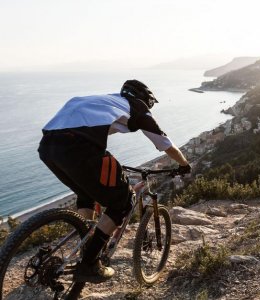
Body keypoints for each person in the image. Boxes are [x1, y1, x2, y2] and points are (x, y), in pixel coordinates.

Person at [38, 80, 191, 283]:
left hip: (47, 147)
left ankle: (87, 245)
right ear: (143, 98)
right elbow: (164, 144)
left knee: (87, 194)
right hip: (78, 147)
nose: (149, 108)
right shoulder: (138, 107)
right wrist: (184, 164)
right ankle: (89, 263)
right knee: (123, 201)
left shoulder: (107, 101)